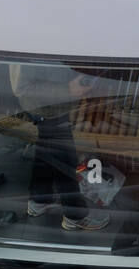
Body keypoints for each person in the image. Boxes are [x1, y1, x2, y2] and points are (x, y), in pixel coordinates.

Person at [24, 68, 109, 231]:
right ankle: (75, 216)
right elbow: (22, 88)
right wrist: (68, 89)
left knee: (45, 155)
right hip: (46, 109)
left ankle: (39, 201)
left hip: (54, 108)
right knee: (64, 160)